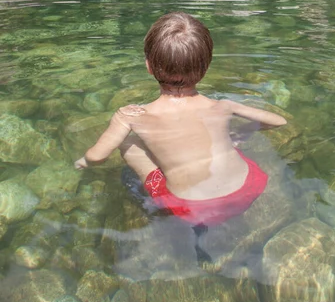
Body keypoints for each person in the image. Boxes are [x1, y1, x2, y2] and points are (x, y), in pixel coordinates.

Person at [74, 12, 287, 226]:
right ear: (206, 68)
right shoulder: (221, 106)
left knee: (128, 143)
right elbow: (278, 122)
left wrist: (84, 161)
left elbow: (97, 156)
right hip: (248, 189)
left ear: (148, 66)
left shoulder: (133, 117)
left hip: (188, 208)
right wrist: (240, 132)